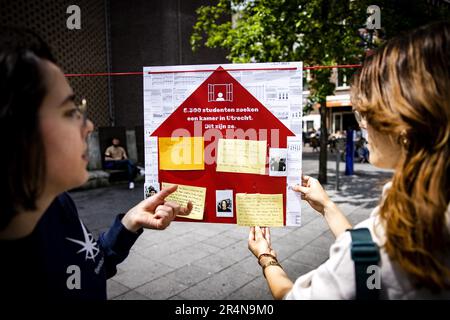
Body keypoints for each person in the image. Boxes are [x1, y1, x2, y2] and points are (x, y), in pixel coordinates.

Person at [248, 21, 450, 299]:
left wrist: (266, 257)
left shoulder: (400, 244)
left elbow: (292, 296)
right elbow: (365, 253)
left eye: (369, 113)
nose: (363, 126)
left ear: (405, 127)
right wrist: (328, 206)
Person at [0, 27, 193, 300]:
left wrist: (129, 223)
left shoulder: (57, 203)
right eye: (70, 112)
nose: (88, 125)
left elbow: (92, 264)